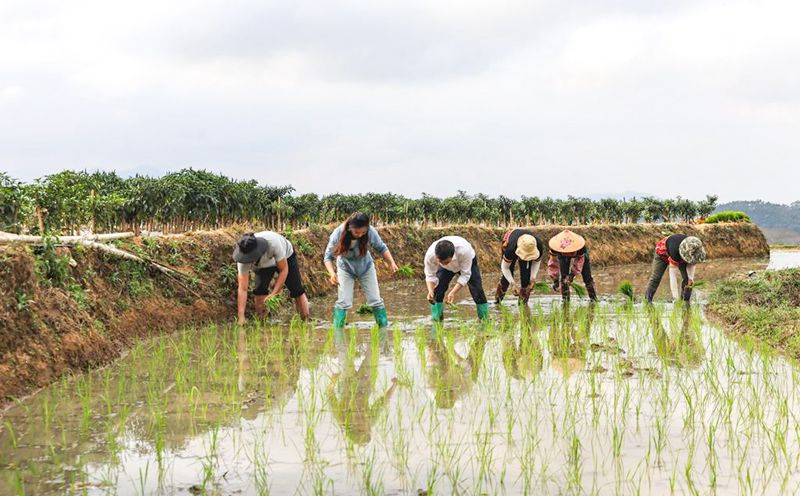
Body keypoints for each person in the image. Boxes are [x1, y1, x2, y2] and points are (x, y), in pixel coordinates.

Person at [324, 213, 398, 330]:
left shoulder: (370, 231)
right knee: (343, 301)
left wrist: (392, 263)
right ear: (350, 228)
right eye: (357, 232)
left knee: (375, 299)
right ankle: (338, 333)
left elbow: (381, 247)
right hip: (345, 269)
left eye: (363, 233)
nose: (359, 235)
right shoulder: (338, 234)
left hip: (366, 268)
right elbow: (328, 257)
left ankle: (383, 329)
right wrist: (332, 274)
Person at [233, 231, 310, 325]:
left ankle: (305, 323)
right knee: (259, 292)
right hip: (263, 266)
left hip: (286, 257)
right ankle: (262, 326)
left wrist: (274, 293)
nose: (249, 261)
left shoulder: (273, 243)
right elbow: (242, 288)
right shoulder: (243, 259)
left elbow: (284, 270)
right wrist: (241, 316)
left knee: (297, 290)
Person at [424, 236, 489, 321]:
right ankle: (437, 320)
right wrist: (430, 290)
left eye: (446, 262)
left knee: (477, 290)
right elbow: (430, 275)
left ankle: (484, 319)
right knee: (437, 290)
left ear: (452, 255)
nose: (444, 263)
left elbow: (465, 275)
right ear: (437, 256)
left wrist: (453, 292)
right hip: (446, 269)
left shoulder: (464, 251)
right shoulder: (430, 255)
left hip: (467, 263)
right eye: (440, 262)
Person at [644, 234, 706, 304]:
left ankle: (685, 302)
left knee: (687, 280)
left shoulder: (695, 249)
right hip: (662, 255)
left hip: (684, 255)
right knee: (656, 277)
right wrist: (675, 298)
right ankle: (647, 301)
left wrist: (690, 279)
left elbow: (692, 263)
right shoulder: (675, 251)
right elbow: (673, 275)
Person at [494, 229, 545, 304]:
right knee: (507, 277)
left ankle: (523, 305)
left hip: (528, 246)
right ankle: (498, 300)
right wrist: (512, 284)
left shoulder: (538, 246)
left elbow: (536, 262)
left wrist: (533, 278)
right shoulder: (511, 248)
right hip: (513, 243)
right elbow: (505, 268)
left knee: (526, 278)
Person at [547, 230, 597, 302]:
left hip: (581, 256)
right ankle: (565, 301)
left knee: (587, 277)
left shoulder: (581, 248)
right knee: (564, 279)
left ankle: (594, 299)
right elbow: (553, 264)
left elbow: (578, 263)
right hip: (563, 256)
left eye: (570, 252)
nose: (568, 253)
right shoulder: (556, 248)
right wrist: (555, 280)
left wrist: (571, 276)